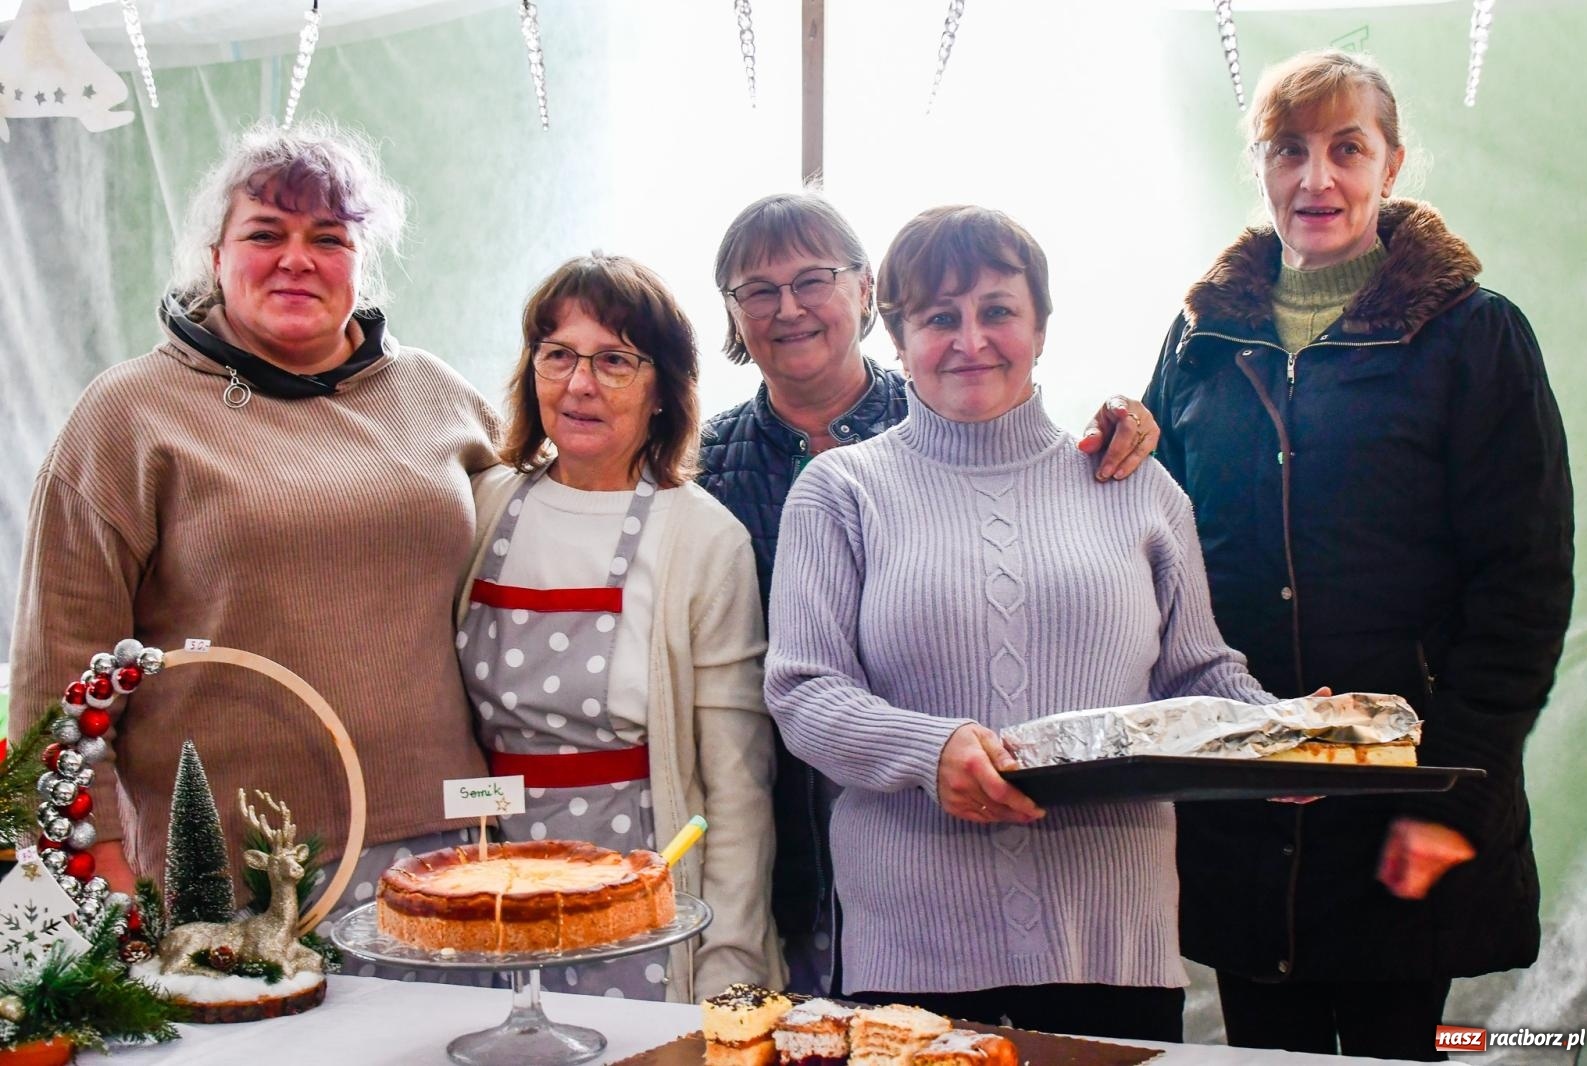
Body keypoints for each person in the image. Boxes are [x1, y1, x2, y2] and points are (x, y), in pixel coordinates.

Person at [1142, 51, 1573, 1060]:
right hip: (1244, 815)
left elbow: (1522, 589)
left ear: (1392, 165)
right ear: (1259, 165)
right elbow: (1153, 550)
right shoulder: (1199, 340)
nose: (1315, 178)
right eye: (1287, 150)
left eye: (1345, 148)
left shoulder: (1475, 338)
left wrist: (1454, 792)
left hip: (1404, 809)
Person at [764, 205, 1278, 1043]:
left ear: (1040, 326)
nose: (971, 339)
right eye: (939, 317)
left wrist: (1286, 736)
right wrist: (929, 752)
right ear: (896, 340)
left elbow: (1196, 675)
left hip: (1114, 944)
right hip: (911, 952)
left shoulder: (1139, 486)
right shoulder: (841, 492)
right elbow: (803, 693)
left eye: (998, 310)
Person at [8, 122, 502, 921]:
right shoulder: (130, 415)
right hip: (230, 872)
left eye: (328, 238)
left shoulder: (434, 395)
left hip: (450, 844)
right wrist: (91, 858)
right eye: (265, 233)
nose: (296, 259)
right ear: (215, 257)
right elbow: (58, 668)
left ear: (360, 260)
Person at [699, 192, 1161, 994]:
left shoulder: (978, 411)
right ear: (733, 315)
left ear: (866, 293)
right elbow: (795, 683)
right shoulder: (703, 463)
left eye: (813, 279)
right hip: (782, 815)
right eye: (758, 291)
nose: (789, 308)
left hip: (1059, 883)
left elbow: (1027, 468)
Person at [456, 254, 782, 1002]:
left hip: (643, 909)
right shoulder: (481, 506)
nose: (579, 384)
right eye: (558, 355)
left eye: (615, 361)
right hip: (490, 896)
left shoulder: (702, 538)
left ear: (664, 389)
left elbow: (735, 784)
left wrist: (729, 955)